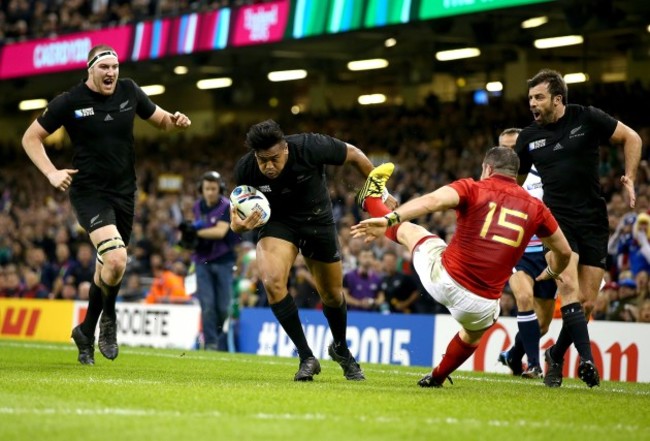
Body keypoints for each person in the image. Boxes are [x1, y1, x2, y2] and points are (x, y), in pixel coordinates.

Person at [21, 44, 191, 365]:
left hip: (125, 193)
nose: (111, 72)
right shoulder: (70, 101)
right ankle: (109, 321)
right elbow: (31, 137)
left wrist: (175, 120)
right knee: (115, 259)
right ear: (90, 69)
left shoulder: (129, 90)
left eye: (115, 67)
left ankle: (85, 330)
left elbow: (160, 120)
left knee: (109, 269)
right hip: (89, 192)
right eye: (104, 67)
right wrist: (51, 172)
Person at [351, 147, 572, 388]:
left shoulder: (473, 187)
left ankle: (371, 200)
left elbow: (432, 201)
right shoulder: (536, 207)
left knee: (411, 231)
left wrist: (390, 219)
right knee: (472, 334)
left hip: (445, 278)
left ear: (488, 168)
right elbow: (564, 252)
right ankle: (437, 376)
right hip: (481, 304)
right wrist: (553, 271)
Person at [230, 119, 396, 381]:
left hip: (317, 219)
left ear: (285, 148)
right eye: (263, 161)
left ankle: (340, 348)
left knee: (331, 294)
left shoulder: (310, 146)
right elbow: (237, 208)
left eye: (274, 158)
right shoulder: (246, 169)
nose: (269, 166)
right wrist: (237, 225)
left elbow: (354, 154)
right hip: (278, 224)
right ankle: (306, 356)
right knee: (273, 282)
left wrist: (382, 194)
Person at [515, 68, 641, 387]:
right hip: (555, 221)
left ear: (558, 99)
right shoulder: (528, 138)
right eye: (530, 98)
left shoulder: (586, 118)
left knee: (586, 303)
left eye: (539, 97)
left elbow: (632, 138)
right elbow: (513, 183)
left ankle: (555, 355)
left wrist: (630, 177)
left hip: (593, 219)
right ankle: (587, 361)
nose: (533, 103)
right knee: (568, 288)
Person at [497, 128, 557, 379]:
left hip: (547, 251)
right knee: (523, 298)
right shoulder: (494, 182)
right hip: (517, 249)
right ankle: (533, 365)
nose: (509, 153)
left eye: (513, 147)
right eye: (504, 148)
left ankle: (513, 354)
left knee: (542, 324)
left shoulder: (543, 172)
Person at [186, 171, 241, 351]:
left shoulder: (226, 206)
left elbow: (220, 232)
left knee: (223, 307)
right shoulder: (197, 206)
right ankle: (210, 343)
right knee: (207, 304)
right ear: (201, 190)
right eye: (207, 188)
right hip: (202, 260)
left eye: (213, 188)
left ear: (220, 189)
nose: (210, 192)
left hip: (224, 261)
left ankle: (214, 336)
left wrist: (194, 233)